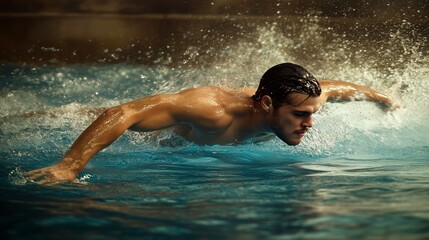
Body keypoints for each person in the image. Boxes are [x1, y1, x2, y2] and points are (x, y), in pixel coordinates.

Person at [25, 63, 394, 185]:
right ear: (267, 104)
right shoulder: (211, 111)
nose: (310, 122)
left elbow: (337, 88)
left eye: (313, 112)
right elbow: (120, 114)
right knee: (76, 116)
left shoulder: (305, 100)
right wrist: (69, 165)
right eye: (300, 115)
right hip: (163, 141)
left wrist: (381, 99)